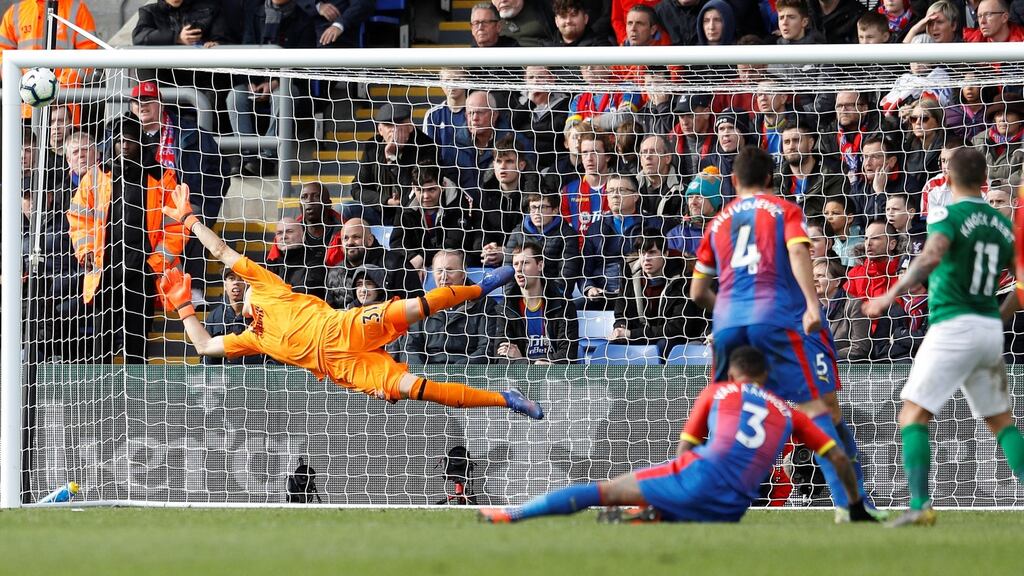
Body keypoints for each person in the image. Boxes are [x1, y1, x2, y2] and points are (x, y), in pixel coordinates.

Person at [157, 183, 544, 419]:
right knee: (415, 388)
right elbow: (205, 345)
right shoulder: (253, 338)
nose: (235, 287)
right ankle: (505, 399)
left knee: (415, 306)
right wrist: (184, 307)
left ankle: (481, 286)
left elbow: (223, 250)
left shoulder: (265, 284)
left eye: (235, 280)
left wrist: (190, 221)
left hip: (343, 324)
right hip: (342, 366)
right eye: (228, 286)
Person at [479, 346, 874, 523]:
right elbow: (838, 457)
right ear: (766, 376)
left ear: (732, 373)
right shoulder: (789, 411)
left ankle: (511, 515)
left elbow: (685, 450)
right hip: (735, 508)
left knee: (601, 491)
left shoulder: (717, 391)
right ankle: (655, 516)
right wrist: (855, 504)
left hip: (701, 477)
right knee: (680, 504)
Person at [690, 147, 877, 521]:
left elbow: (697, 292)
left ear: (733, 181)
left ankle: (696, 496)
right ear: (773, 181)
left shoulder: (718, 221)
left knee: (721, 411)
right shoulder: (784, 211)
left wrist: (726, 310)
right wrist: (812, 304)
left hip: (728, 325)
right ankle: (848, 505)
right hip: (777, 319)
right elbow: (797, 254)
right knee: (817, 410)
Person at [864, 147, 1024, 526]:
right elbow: (1018, 288)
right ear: (983, 180)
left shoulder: (948, 214)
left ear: (948, 179)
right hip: (988, 328)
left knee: (912, 415)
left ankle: (920, 504)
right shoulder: (1004, 226)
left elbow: (932, 254)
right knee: (1001, 423)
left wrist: (889, 294)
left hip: (953, 323)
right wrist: (993, 320)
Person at [496, 242, 579, 364]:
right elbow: (500, 357)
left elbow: (568, 354)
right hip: (519, 379)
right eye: (516, 264)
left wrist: (521, 360)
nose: (519, 268)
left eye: (525, 263)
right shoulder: (505, 308)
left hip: (556, 377)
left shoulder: (563, 305)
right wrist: (533, 364)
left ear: (540, 265)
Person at [205, 269, 265, 365]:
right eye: (231, 278)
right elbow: (206, 356)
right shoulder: (214, 316)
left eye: (241, 278)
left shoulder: (260, 314)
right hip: (223, 377)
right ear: (225, 285)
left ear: (249, 284)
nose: (236, 282)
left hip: (256, 376)